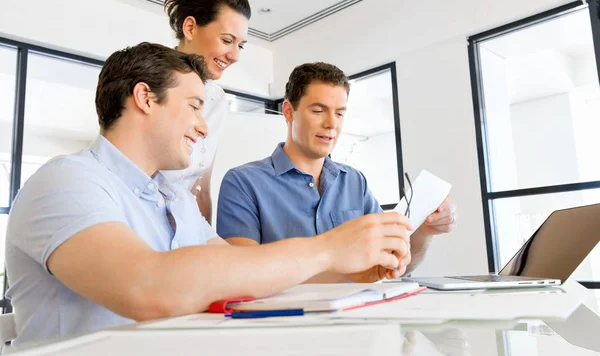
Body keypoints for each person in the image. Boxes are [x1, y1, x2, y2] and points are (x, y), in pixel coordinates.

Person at [4, 43, 412, 345]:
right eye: (195, 106)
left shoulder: (174, 200)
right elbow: (147, 289)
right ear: (146, 98)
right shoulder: (66, 182)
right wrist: (327, 249)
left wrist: (352, 266)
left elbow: (244, 269)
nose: (203, 127)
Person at [216, 62, 457, 280]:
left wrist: (425, 231)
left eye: (340, 113)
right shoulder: (243, 182)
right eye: (318, 111)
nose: (332, 123)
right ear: (289, 111)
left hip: (356, 321)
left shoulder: (355, 181)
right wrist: (346, 268)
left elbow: (393, 264)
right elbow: (243, 275)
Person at [161, 0, 251, 224]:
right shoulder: (149, 82)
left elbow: (200, 188)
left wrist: (203, 248)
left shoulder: (218, 100)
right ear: (190, 27)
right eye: (227, 40)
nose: (235, 56)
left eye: (240, 45)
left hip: (184, 228)